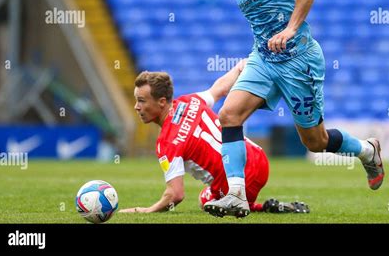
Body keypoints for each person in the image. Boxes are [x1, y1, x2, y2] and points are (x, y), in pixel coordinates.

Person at [204, 0, 385, 218]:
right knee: (229, 115)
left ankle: (368, 150)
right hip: (263, 59)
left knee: (316, 142)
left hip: (298, 62)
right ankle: (236, 195)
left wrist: (289, 29)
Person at [119, 59, 309, 215]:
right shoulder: (190, 101)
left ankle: (255, 206)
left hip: (238, 180)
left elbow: (175, 195)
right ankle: (265, 206)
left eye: (141, 101)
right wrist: (238, 68)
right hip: (259, 161)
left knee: (205, 200)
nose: (137, 107)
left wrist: (145, 210)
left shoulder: (167, 143)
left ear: (161, 102)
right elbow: (220, 89)